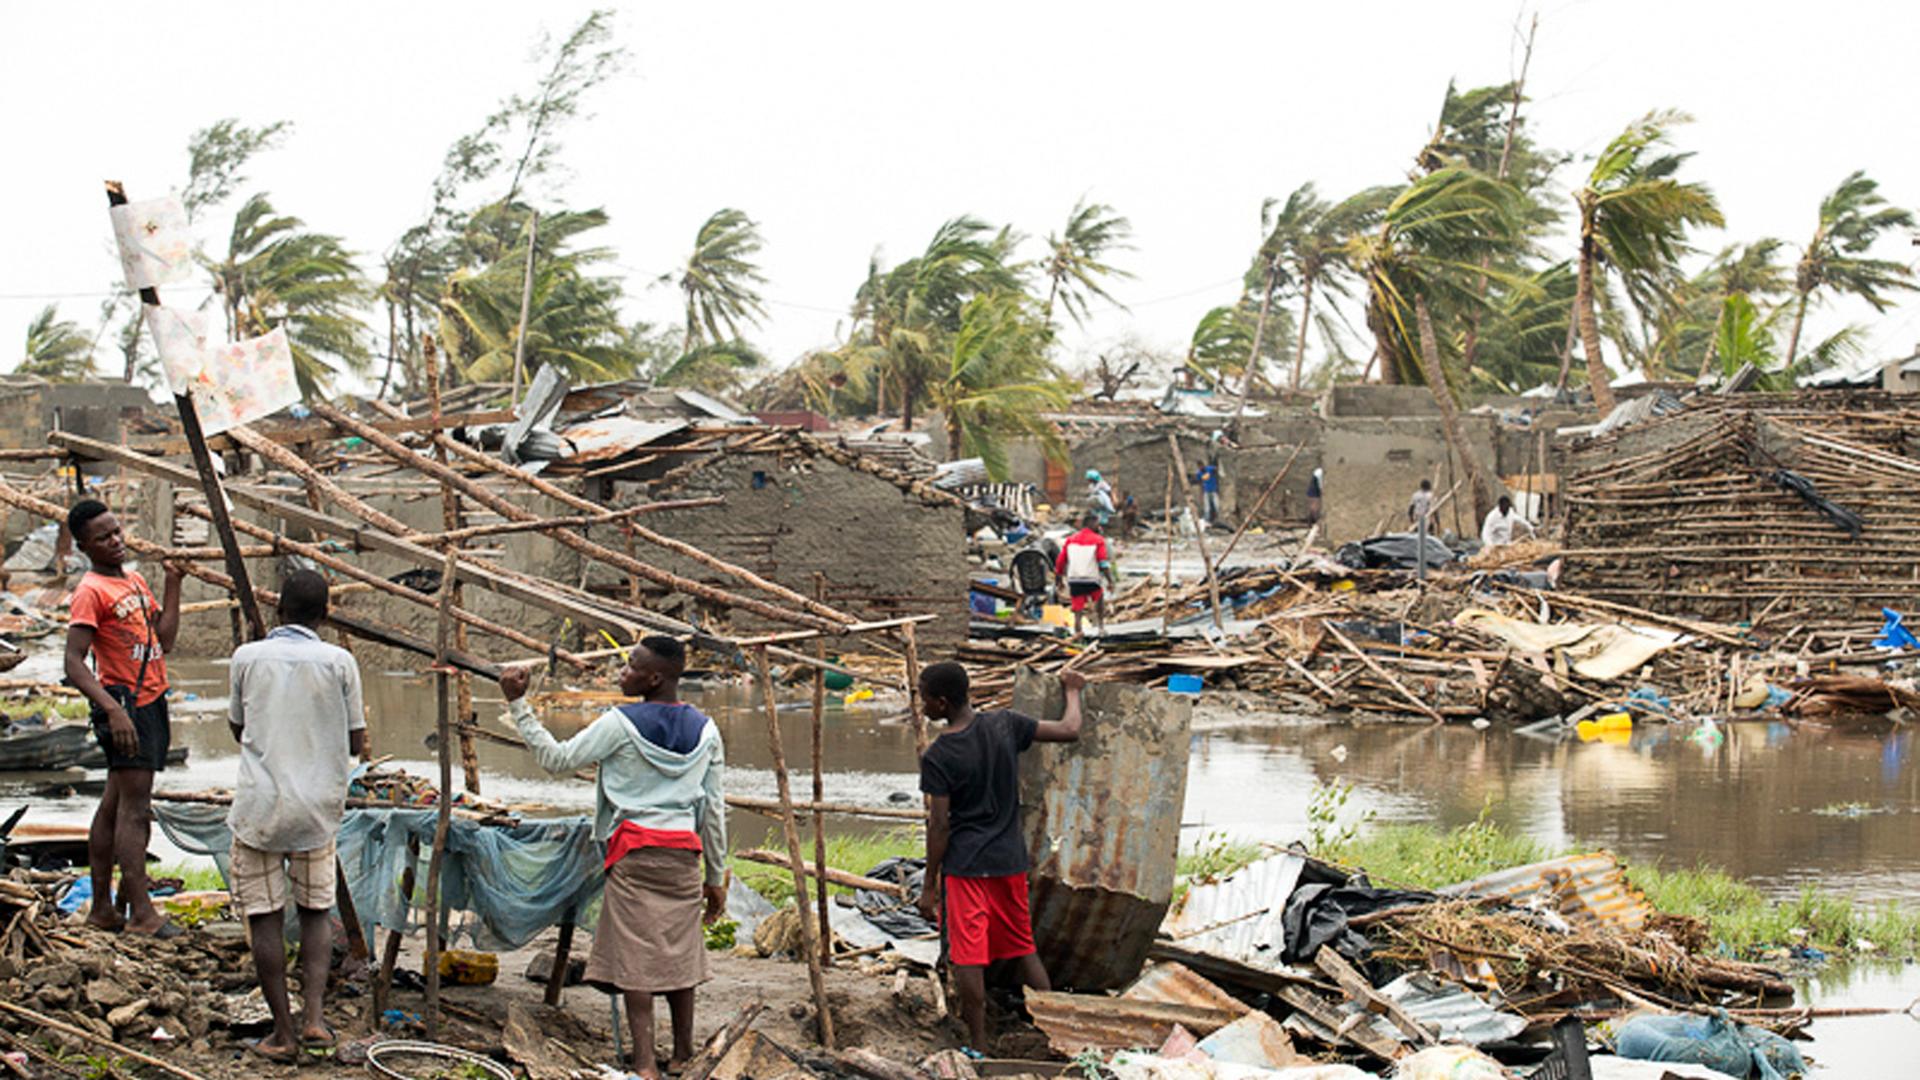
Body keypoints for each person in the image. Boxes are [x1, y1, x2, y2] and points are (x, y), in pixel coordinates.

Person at [503, 637, 727, 1080]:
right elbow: (713, 810)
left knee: (636, 959)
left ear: (655, 677)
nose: (621, 672)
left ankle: (644, 1063)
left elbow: (556, 759)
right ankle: (682, 1054)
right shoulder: (707, 730)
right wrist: (716, 876)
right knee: (679, 953)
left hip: (633, 852)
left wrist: (519, 705)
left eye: (630, 666)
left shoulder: (619, 723)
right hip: (683, 854)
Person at [226, 571, 366, 1060]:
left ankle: (282, 1033)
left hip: (259, 807)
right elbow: (356, 740)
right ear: (324, 615)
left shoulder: (247, 657)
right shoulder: (339, 662)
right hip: (317, 810)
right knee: (315, 912)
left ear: (278, 610)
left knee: (264, 916)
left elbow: (238, 726)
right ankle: (314, 1020)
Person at [915, 662, 1087, 1054]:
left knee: (967, 955)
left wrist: (929, 886)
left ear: (942, 702)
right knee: (1023, 947)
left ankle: (978, 1044)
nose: (921, 705)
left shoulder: (939, 755)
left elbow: (940, 826)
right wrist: (1073, 691)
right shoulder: (1005, 725)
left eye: (923, 697)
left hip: (967, 867)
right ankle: (1057, 1035)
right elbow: (1069, 730)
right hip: (1009, 861)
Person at [62, 499, 183, 936]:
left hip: (151, 698)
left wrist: (172, 583)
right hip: (125, 704)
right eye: (103, 538)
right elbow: (74, 663)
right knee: (136, 810)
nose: (115, 542)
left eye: (116, 532)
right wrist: (113, 710)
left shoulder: (132, 581)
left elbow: (164, 640)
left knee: (115, 804)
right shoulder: (91, 591)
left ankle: (102, 909)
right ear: (84, 547)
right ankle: (142, 913)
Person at [1054, 512, 1116, 638]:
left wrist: (1059, 579)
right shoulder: (1098, 540)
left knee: (1078, 609)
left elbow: (1060, 561)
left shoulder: (1070, 540)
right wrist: (1110, 581)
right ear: (1092, 524)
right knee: (1099, 600)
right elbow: (1103, 563)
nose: (1100, 526)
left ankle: (1078, 632)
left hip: (1074, 579)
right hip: (1092, 579)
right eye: (1098, 523)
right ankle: (1101, 628)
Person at [1196, 461, 1222, 527]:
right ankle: (1206, 521)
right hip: (1206, 491)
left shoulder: (1209, 469)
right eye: (1199, 467)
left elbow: (1216, 469)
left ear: (1203, 465)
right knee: (1207, 507)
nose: (1201, 468)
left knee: (1217, 505)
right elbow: (1199, 481)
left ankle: (1219, 518)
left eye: (1201, 466)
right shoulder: (1199, 473)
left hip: (1213, 490)